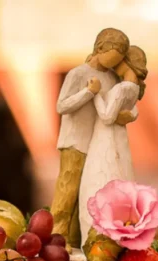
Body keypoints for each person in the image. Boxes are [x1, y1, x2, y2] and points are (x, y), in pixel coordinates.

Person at [50, 28, 129, 244]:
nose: (117, 61)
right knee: (68, 192)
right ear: (101, 48)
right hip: (75, 140)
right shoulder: (78, 73)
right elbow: (61, 106)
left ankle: (75, 240)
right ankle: (57, 240)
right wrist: (89, 92)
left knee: (85, 194)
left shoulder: (112, 78)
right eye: (115, 53)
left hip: (97, 144)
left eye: (121, 57)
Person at [77, 45, 147, 245]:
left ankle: (94, 240)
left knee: (98, 179)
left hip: (105, 138)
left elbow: (107, 116)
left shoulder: (122, 88)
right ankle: (119, 236)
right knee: (119, 174)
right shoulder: (132, 88)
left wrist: (95, 93)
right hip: (118, 137)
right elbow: (131, 112)